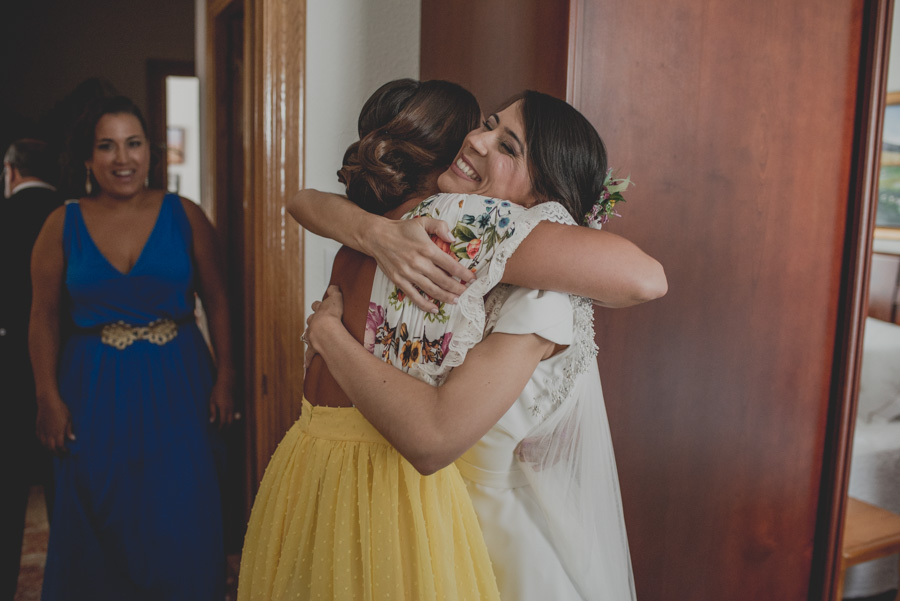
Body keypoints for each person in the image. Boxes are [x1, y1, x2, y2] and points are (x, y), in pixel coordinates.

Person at [302, 90, 646, 600]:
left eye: (507, 146)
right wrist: (374, 232)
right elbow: (304, 201)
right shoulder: (444, 244)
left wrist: (327, 334)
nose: (477, 140)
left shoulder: (538, 296)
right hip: (419, 521)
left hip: (497, 548)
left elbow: (644, 279)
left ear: (542, 199)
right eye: (486, 123)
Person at [238, 79, 503, 601]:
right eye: (473, 137)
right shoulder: (443, 229)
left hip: (306, 457)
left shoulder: (357, 237)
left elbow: (302, 201)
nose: (480, 149)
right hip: (383, 474)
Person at [29, 96, 235, 601]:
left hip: (179, 380)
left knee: (180, 511)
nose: (123, 158)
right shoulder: (62, 222)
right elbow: (43, 316)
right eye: (107, 146)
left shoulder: (184, 214)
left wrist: (228, 377)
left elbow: (220, 301)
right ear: (87, 159)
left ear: (150, 151)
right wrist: (47, 397)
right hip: (91, 386)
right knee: (97, 510)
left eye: (134, 143)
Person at [0, 138, 62, 600]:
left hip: (8, 373)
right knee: (68, 491)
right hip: (67, 370)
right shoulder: (74, 214)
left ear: (10, 172)